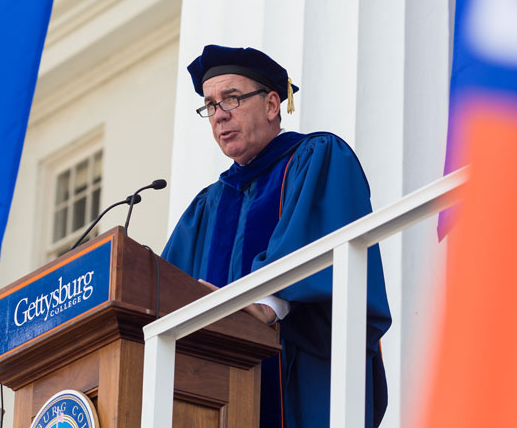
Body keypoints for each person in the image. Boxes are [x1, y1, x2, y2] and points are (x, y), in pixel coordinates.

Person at [162, 45, 391, 428]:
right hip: (219, 400)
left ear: (271, 105)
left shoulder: (317, 157)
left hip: (299, 378)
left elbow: (323, 239)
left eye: (231, 98)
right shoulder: (207, 207)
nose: (219, 115)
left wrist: (269, 300)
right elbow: (165, 287)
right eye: (210, 105)